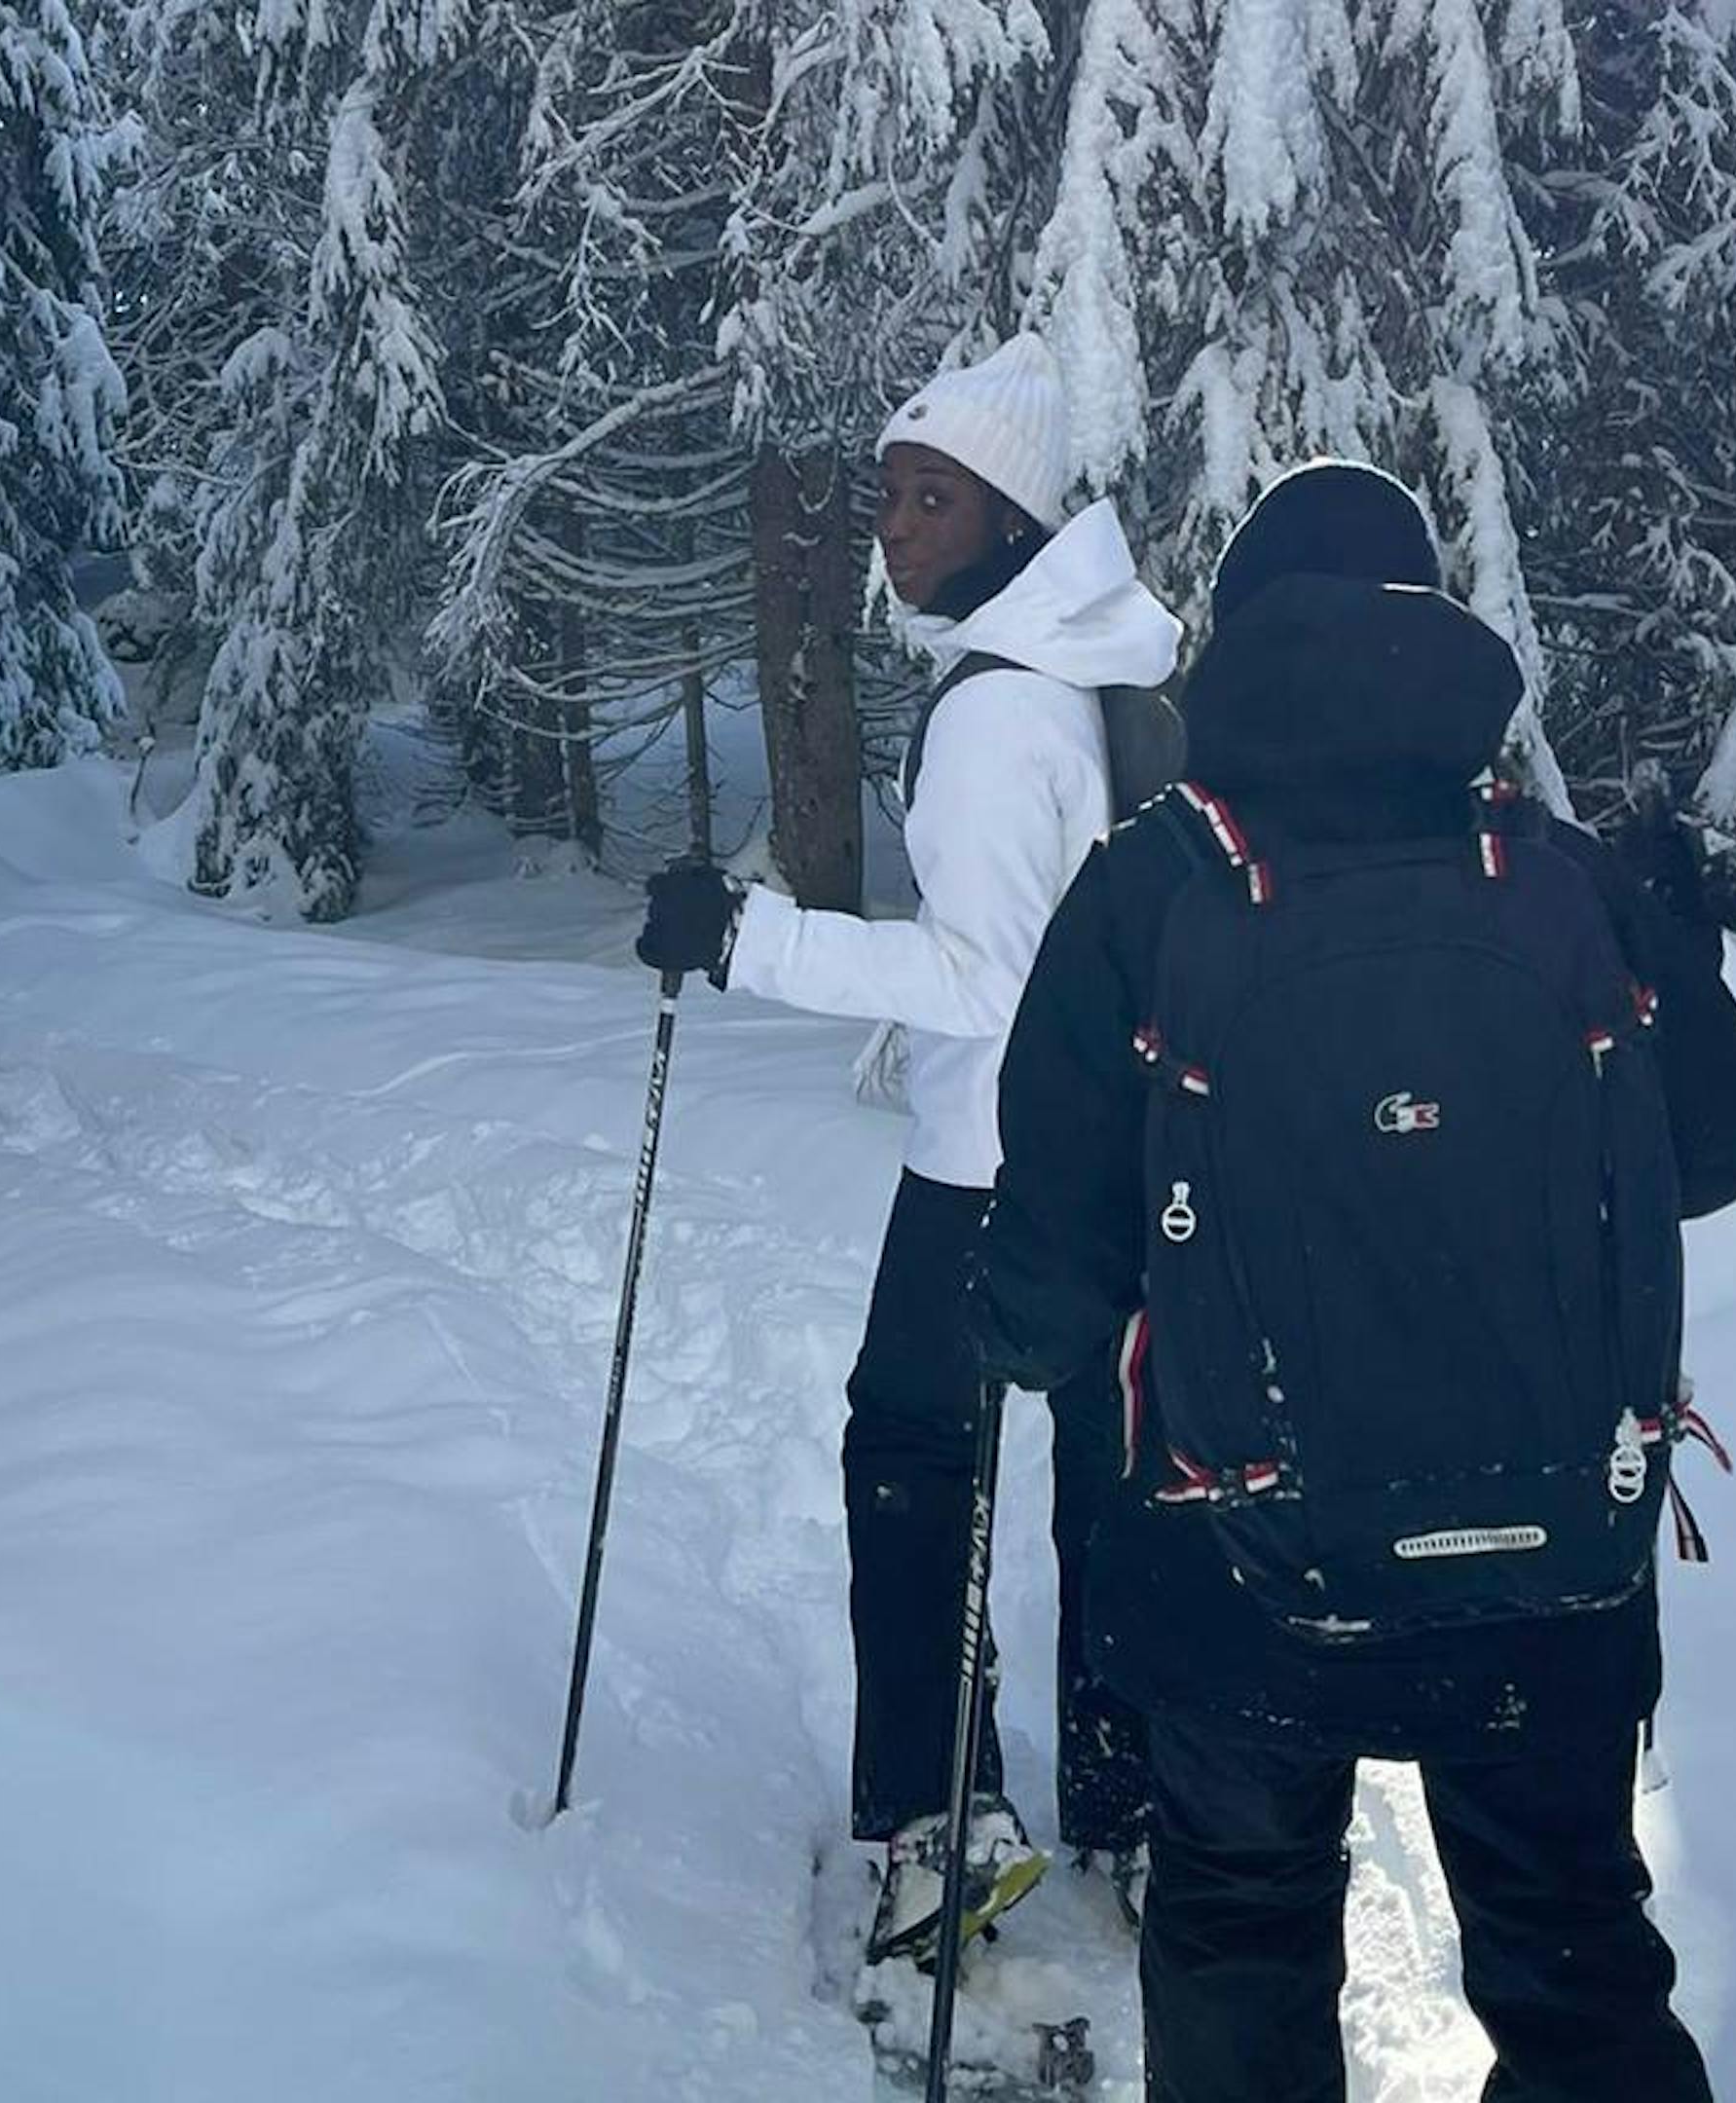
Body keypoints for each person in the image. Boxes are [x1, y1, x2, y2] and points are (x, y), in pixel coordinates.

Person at [964, 461, 1736, 2100]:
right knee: (1569, 1944)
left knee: (1249, 1930)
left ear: (1241, 644)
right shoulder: (1550, 875)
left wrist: (1007, 1329)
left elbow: (1055, 1270)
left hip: (1237, 1562)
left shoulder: (1147, 890)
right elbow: (1725, 1143)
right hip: (1554, 1546)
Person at [631, 333, 1182, 1964]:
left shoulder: (1005, 713)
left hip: (996, 1160)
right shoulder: (1107, 679)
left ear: (1010, 519)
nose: (893, 527)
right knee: (1110, 1474)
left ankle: (939, 1819)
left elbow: (984, 980)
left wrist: (749, 940)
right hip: (1123, 1162)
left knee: (913, 1451)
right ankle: (1133, 1800)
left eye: (930, 499)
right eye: (884, 496)